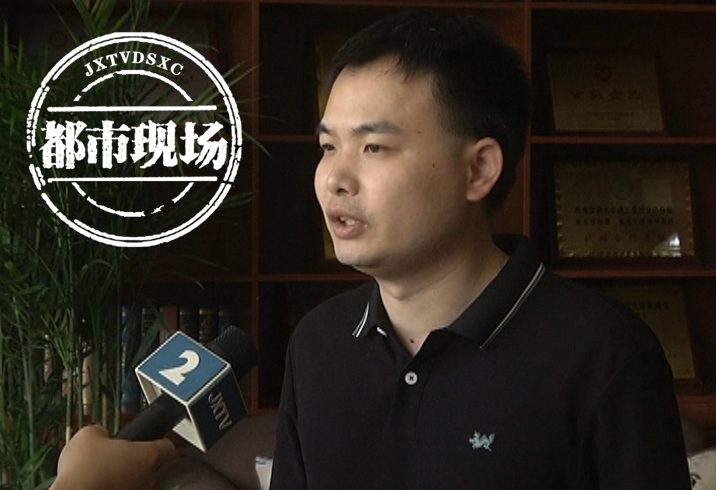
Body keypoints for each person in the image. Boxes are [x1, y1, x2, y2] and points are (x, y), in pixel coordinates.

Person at [52, 9, 691, 490]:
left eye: (374, 147)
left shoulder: (606, 355)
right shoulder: (318, 343)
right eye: (328, 146)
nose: (334, 178)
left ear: (479, 169)